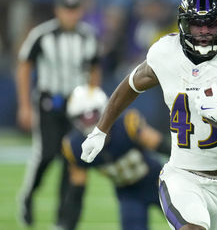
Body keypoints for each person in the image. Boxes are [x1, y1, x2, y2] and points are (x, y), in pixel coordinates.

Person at [80, 0, 217, 230]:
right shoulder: (167, 53)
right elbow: (130, 85)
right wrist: (101, 130)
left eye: (212, 23)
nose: (203, 31)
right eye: (196, 23)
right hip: (183, 178)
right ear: (184, 23)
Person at [16, 0, 101, 227]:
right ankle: (28, 196)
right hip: (48, 102)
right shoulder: (42, 35)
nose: (70, 15)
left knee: (71, 158)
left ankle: (63, 217)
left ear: (80, 11)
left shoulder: (88, 36)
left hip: (76, 106)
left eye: (74, 10)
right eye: (66, 9)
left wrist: (92, 99)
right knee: (47, 153)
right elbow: (24, 67)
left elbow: (95, 68)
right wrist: (24, 105)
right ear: (57, 10)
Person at [55, 85, 169, 230]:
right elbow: (76, 193)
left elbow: (161, 146)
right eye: (82, 117)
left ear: (104, 110)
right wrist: (67, 225)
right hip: (129, 194)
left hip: (157, 182)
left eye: (93, 115)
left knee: (187, 223)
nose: (89, 121)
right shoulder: (75, 147)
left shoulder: (127, 125)